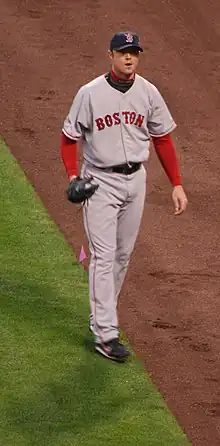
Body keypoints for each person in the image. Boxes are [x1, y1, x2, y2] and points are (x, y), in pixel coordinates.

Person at [61, 31, 188, 363]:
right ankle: (106, 334)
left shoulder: (148, 93)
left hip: (136, 181)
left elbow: (161, 139)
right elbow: (68, 138)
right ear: (111, 55)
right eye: (123, 52)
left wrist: (176, 183)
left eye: (134, 52)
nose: (129, 58)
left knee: (122, 256)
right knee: (104, 258)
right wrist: (73, 177)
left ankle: (102, 318)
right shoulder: (89, 93)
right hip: (100, 181)